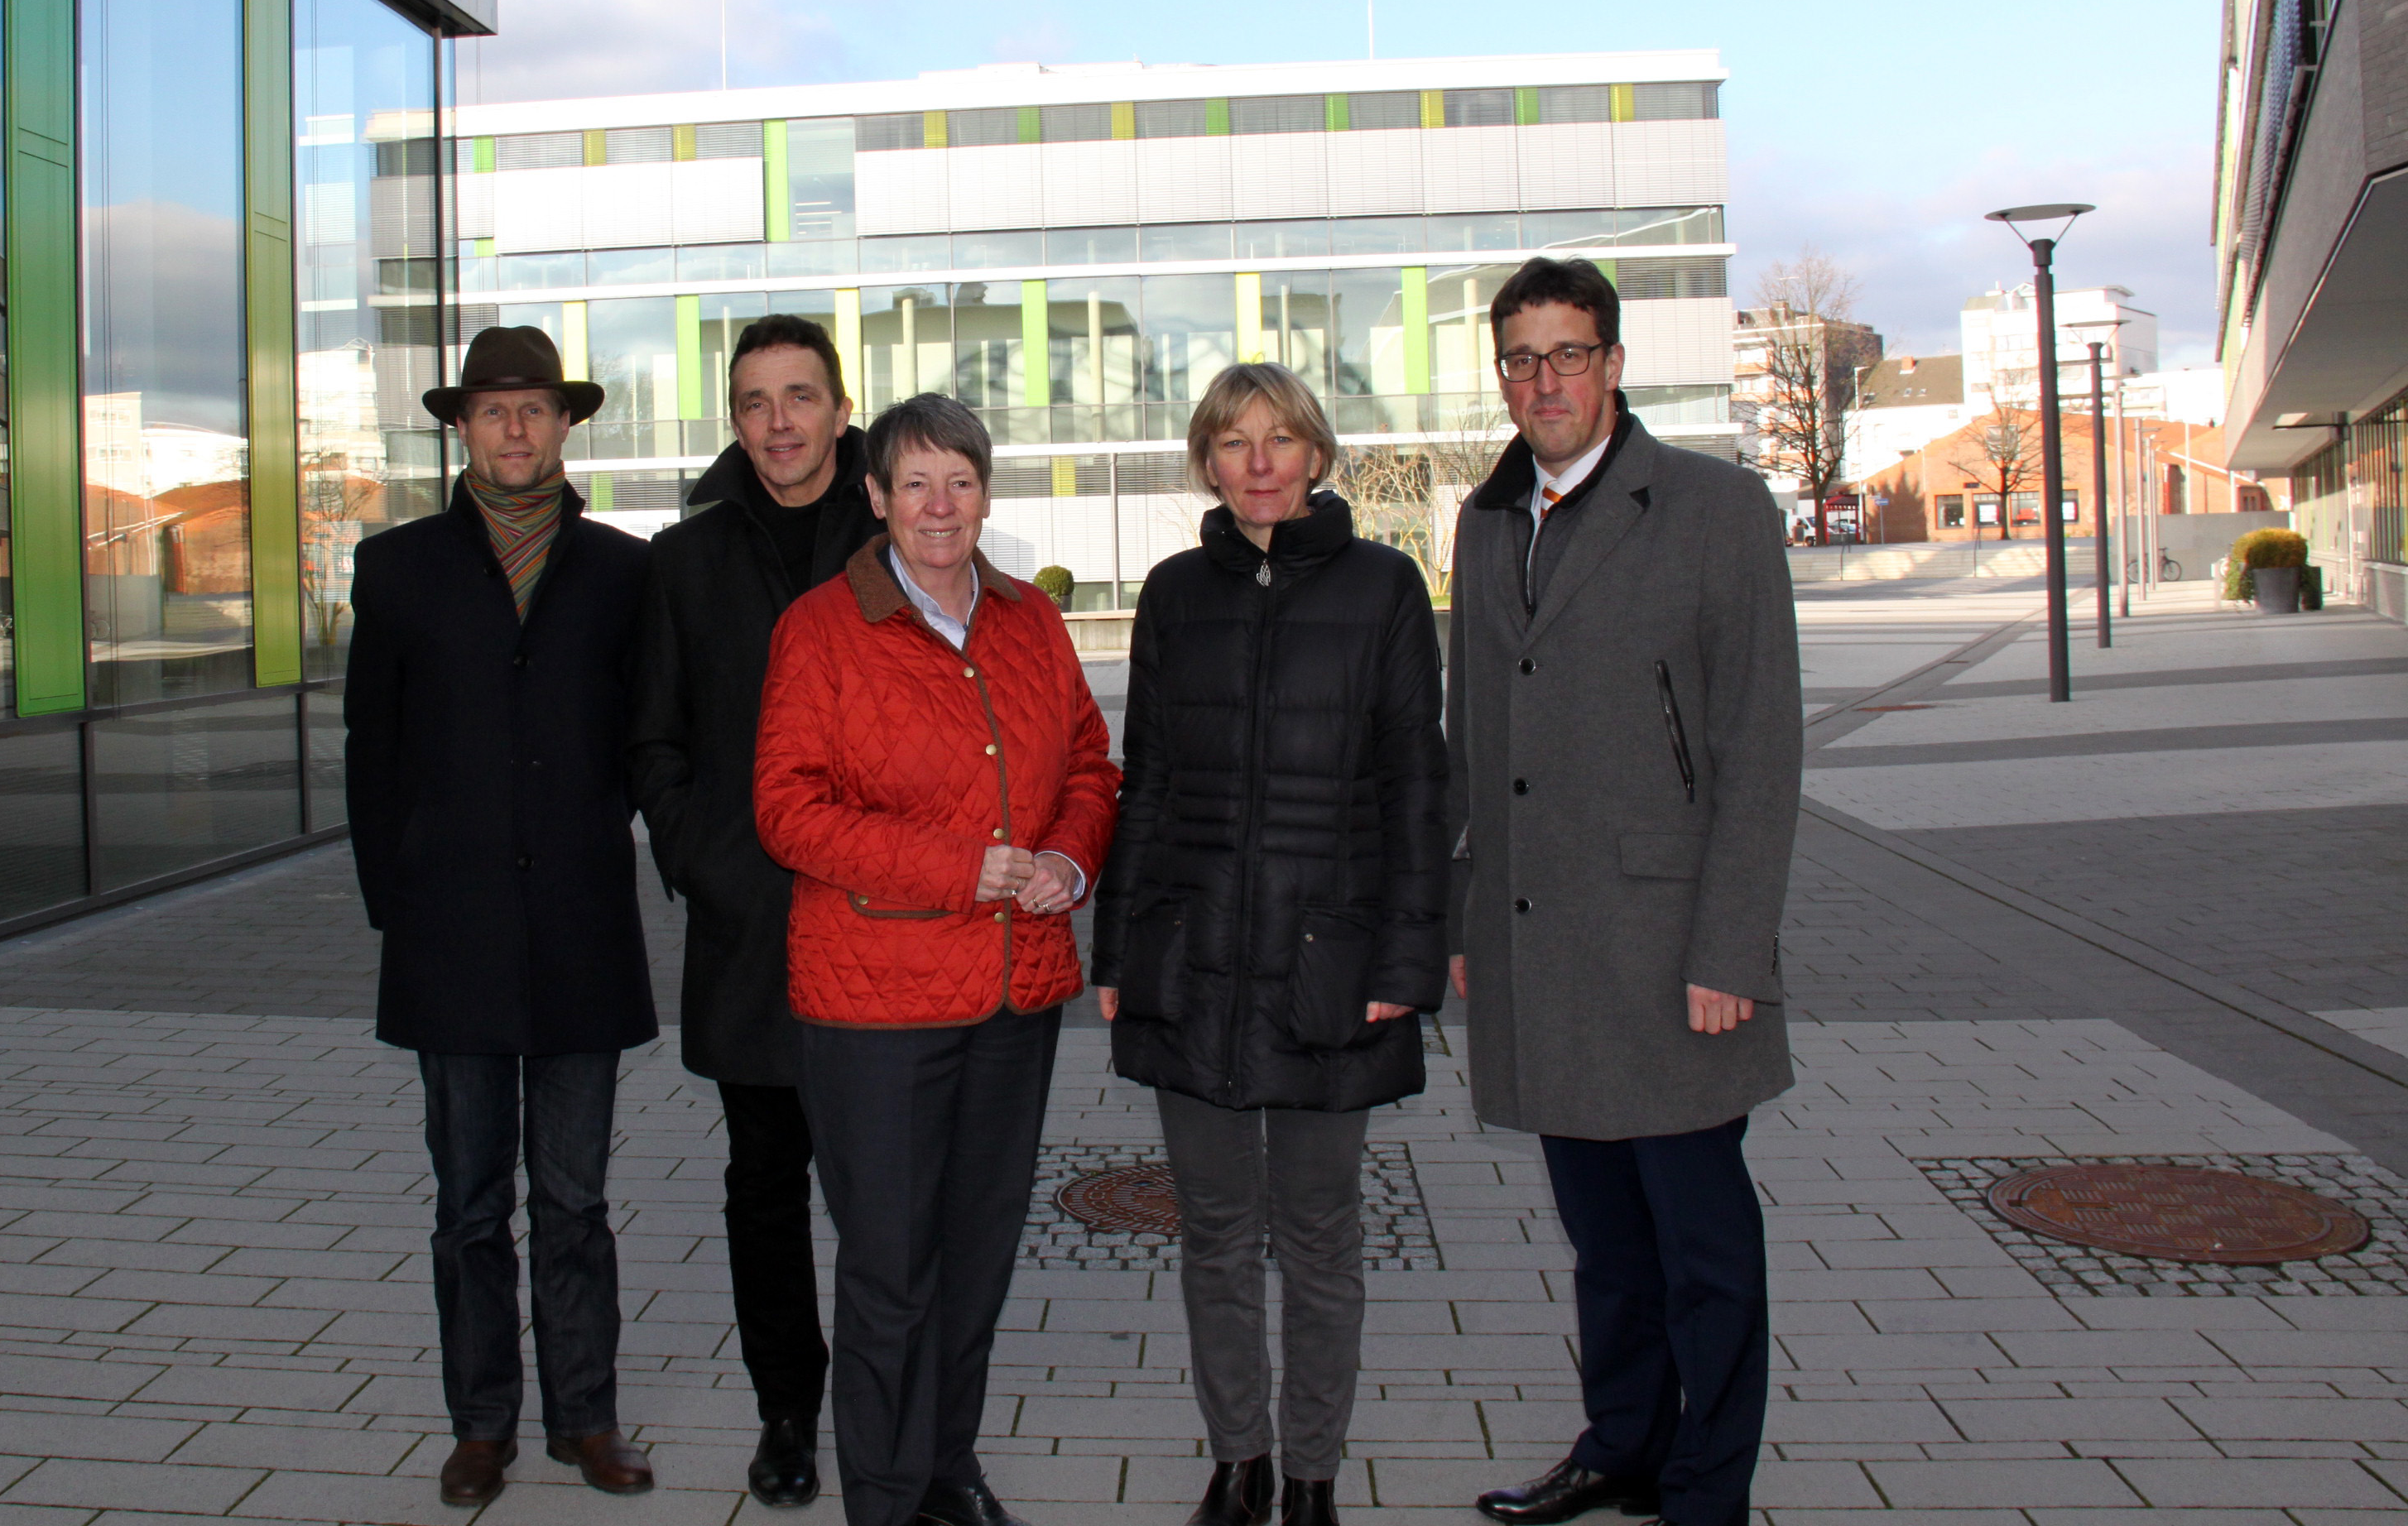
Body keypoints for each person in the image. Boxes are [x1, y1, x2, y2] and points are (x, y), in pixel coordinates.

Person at [1444, 258, 1800, 1526]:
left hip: (1669, 949)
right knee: (1603, 1239)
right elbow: (1470, 737)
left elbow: (1762, 748)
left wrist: (1733, 950)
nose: (1546, 381)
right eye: (1522, 360)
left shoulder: (1714, 508)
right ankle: (1624, 1446)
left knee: (1704, 1247)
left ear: (1614, 361)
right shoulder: (1487, 519)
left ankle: (1711, 1486)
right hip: (1540, 941)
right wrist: (1466, 916)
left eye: (1570, 354)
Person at [1092, 361, 1450, 1526]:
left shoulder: (1385, 587)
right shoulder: (1173, 594)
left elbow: (1415, 787)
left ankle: (1310, 1475)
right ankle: (1236, 1459)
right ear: (1207, 458)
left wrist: (1405, 964)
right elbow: (1140, 789)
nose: (1258, 460)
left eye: (1280, 437)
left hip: (1327, 965)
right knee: (1213, 1235)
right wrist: (1116, 956)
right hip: (1191, 958)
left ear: (1314, 454)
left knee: (1319, 1236)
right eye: (1235, 440)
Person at [753, 394, 1121, 1526]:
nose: (938, 504)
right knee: (890, 1269)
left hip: (1013, 997)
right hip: (880, 1005)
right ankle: (886, 1492)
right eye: (913, 483)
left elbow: (1093, 768)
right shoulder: (822, 628)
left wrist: (1066, 858)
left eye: (958, 479)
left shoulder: (1028, 623)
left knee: (977, 1257)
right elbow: (786, 810)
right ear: (874, 498)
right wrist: (967, 867)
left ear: (985, 492)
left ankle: (950, 1467)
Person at [343, 324, 661, 1509]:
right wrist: (399, 895)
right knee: (469, 1203)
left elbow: (648, 738)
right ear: (460, 427)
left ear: (566, 423)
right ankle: (482, 1424)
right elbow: (372, 748)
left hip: (580, 929)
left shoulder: (629, 573)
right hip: (451, 935)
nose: (515, 429)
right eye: (493, 410)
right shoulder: (398, 568)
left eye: (535, 408)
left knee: (574, 1200)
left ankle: (587, 1417)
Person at [628, 314, 876, 1507]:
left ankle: (895, 1408)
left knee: (887, 1186)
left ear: (839, 406)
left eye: (799, 396)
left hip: (888, 925)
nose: (779, 422)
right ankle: (789, 1409)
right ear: (736, 420)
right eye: (755, 401)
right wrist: (705, 860)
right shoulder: (686, 558)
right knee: (765, 1184)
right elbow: (655, 737)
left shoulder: (896, 526)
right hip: (752, 932)